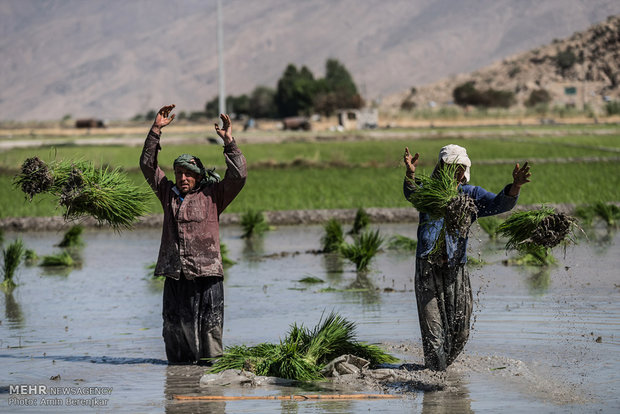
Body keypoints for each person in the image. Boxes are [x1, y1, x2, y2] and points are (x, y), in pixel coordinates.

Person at [403, 144, 531, 370]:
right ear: (443, 167)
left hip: (455, 269)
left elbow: (499, 203)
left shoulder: (470, 195)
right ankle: (436, 385)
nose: (459, 173)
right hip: (427, 269)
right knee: (434, 335)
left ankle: (438, 371)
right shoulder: (429, 191)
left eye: (462, 168)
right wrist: (410, 174)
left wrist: (516, 186)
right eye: (454, 167)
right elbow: (412, 193)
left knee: (461, 333)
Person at [140, 104, 247, 364]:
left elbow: (239, 175)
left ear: (198, 177)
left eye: (189, 173)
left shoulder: (213, 195)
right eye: (179, 173)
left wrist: (229, 143)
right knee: (175, 327)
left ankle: (211, 376)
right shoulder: (167, 194)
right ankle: (179, 380)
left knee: (210, 326)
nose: (183, 177)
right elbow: (147, 165)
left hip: (207, 272)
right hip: (176, 272)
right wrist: (156, 130)